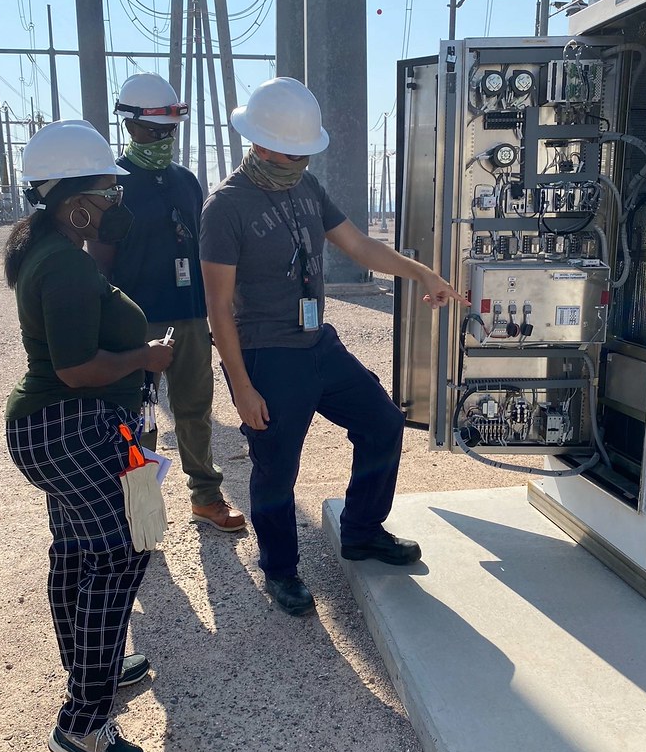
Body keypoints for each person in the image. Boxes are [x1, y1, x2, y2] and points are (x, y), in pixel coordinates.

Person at [200, 77, 466, 616]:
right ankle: (281, 570)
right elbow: (219, 308)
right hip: (266, 356)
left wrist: (421, 273)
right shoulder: (224, 208)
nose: (297, 160)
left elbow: (360, 246)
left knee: (383, 422)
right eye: (289, 150)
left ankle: (362, 530)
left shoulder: (307, 188)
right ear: (258, 142)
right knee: (276, 466)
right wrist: (243, 388)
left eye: (304, 152)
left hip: (319, 343)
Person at [4, 119, 174, 752]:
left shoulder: (56, 253)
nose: (117, 205)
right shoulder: (67, 265)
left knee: (79, 554)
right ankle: (84, 725)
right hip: (76, 423)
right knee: (122, 554)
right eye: (109, 192)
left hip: (65, 427)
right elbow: (78, 369)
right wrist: (149, 355)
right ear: (77, 204)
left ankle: (93, 667)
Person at [88, 73, 245, 533]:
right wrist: (107, 322)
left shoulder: (186, 181)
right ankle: (142, 508)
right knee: (140, 417)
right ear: (129, 125)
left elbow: (204, 246)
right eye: (152, 130)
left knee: (195, 408)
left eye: (169, 129)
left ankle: (206, 496)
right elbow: (100, 263)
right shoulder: (112, 186)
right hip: (138, 319)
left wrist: (218, 310)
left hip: (190, 313)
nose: (161, 138)